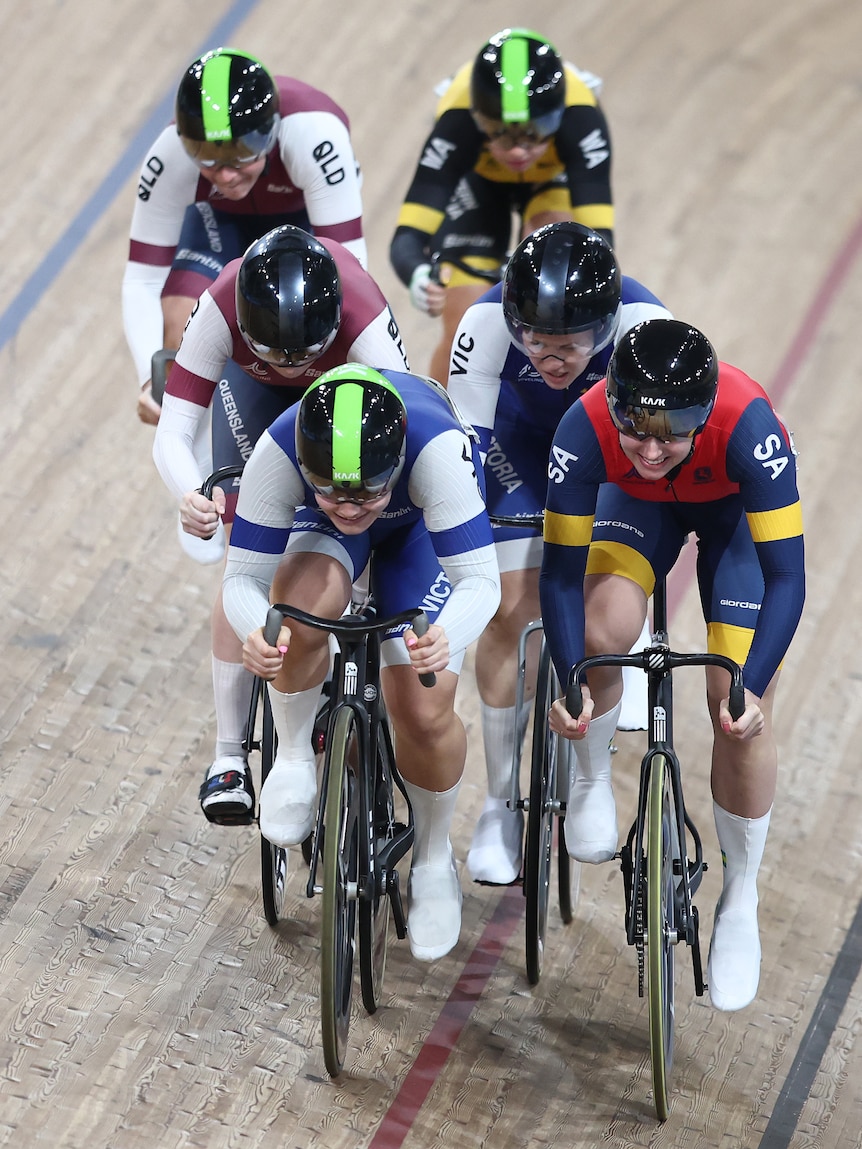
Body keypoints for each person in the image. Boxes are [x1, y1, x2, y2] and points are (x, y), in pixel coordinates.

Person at [539, 318, 805, 1011]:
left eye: (672, 434)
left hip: (733, 522)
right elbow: (563, 579)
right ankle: (594, 776)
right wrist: (572, 679)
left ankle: (739, 894)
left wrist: (751, 687)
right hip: (635, 512)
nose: (652, 449)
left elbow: (787, 579)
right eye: (638, 430)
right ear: (615, 404)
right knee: (606, 625)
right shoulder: (585, 425)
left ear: (706, 415)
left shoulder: (750, 427)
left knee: (734, 697)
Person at [221, 364, 501, 961]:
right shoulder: (281, 446)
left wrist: (445, 635)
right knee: (292, 620)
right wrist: (256, 632)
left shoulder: (436, 453)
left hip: (420, 532)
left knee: (422, 707)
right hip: (320, 539)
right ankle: (296, 756)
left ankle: (431, 858)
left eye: (368, 490)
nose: (350, 506)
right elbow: (243, 578)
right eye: (331, 488)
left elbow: (480, 581)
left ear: (396, 464)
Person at [152, 225, 409, 827]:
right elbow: (174, 430)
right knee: (246, 551)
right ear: (245, 327)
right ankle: (228, 755)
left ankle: (356, 686)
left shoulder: (363, 312)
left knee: (364, 508)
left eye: (303, 352)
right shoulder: (219, 305)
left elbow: (404, 431)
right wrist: (191, 494)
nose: (291, 364)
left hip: (344, 401)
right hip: (255, 404)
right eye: (275, 351)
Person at [446, 221, 671, 884]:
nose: (551, 355)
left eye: (571, 341)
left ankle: (594, 767)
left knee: (604, 615)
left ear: (605, 325)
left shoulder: (645, 323)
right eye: (536, 338)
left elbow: (661, 466)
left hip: (614, 458)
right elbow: (462, 457)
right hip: (517, 453)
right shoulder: (483, 325)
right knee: (508, 610)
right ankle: (498, 805)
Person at [122, 46, 367, 428]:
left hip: (302, 225)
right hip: (220, 222)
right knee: (179, 340)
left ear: (271, 132)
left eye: (242, 152)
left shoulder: (313, 133)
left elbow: (350, 271)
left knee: (312, 324)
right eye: (207, 156)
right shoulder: (169, 154)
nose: (227, 174)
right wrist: (149, 379)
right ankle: (202, 480)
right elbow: (143, 278)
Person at [389, 27, 613, 384]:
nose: (519, 150)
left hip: (549, 182)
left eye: (536, 131)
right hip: (481, 182)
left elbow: (599, 241)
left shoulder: (581, 116)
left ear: (559, 116)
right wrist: (417, 274)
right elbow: (408, 237)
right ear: (477, 118)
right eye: (500, 131)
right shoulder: (457, 119)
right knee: (464, 324)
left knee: (558, 279)